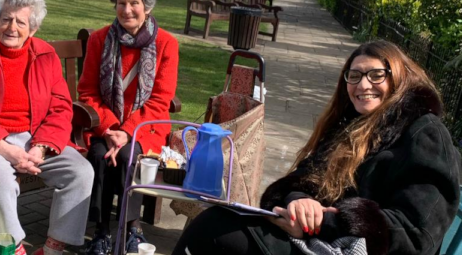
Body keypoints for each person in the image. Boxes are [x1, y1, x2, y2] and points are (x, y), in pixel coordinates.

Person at [173, 40, 461, 255]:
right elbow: (303, 179)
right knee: (216, 223)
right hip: (318, 239)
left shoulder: (425, 133)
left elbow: (417, 233)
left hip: (355, 248)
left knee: (217, 234)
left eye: (375, 75)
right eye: (354, 75)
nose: (363, 85)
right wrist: (298, 201)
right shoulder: (352, 125)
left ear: (398, 76)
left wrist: (324, 222)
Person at [0, 0, 94, 255]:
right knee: (0, 182)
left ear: (34, 28)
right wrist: (5, 148)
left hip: (35, 138)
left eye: (20, 21)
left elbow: (61, 107)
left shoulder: (45, 54)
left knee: (81, 172)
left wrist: (41, 146)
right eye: (6, 19)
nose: (11, 27)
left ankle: (53, 249)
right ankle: (14, 247)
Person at [78, 0, 179, 255]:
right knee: (98, 155)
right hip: (105, 126)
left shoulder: (167, 44)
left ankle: (132, 229)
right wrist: (111, 128)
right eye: (121, 3)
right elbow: (86, 92)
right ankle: (100, 232)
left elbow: (161, 100)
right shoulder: (100, 40)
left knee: (128, 157)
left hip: (146, 127)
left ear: (147, 7)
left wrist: (127, 131)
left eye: (134, 3)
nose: (127, 10)